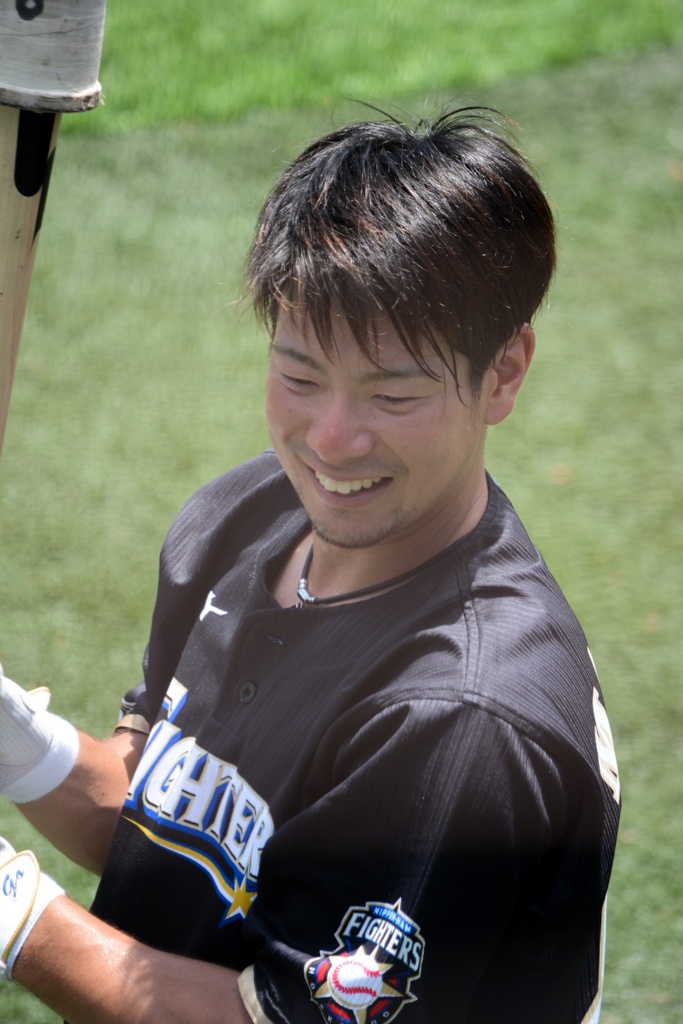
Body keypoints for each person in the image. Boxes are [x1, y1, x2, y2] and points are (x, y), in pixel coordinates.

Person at [0, 108, 621, 1024]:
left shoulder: (460, 720)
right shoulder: (246, 516)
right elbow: (167, 829)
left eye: (392, 391)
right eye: (298, 376)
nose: (330, 441)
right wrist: (11, 735)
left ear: (503, 370)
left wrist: (14, 913)